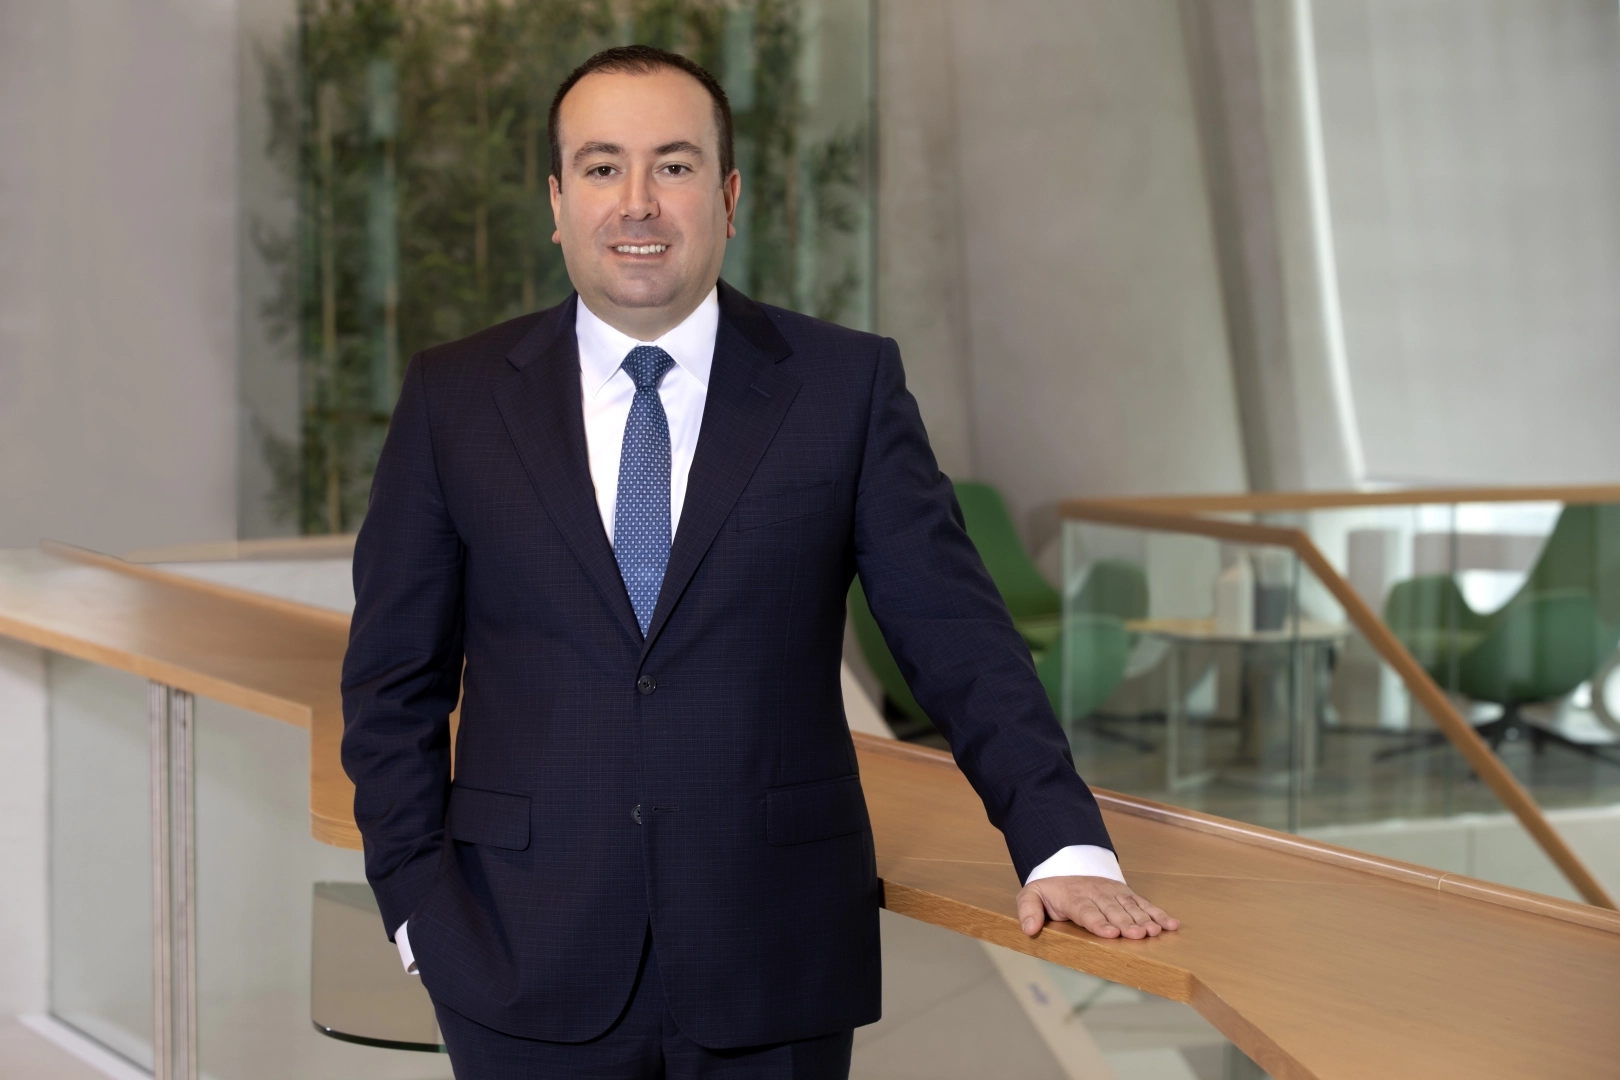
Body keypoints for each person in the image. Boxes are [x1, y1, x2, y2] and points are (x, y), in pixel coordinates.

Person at [341, 44, 1177, 1080]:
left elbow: (959, 640)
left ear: (729, 198)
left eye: (674, 165)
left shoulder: (844, 387)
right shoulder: (453, 399)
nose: (637, 202)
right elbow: (391, 682)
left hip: (773, 958)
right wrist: (416, 907)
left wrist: (1061, 845)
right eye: (601, 167)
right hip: (516, 956)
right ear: (556, 202)